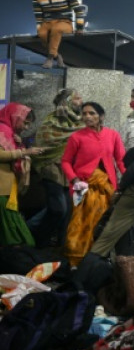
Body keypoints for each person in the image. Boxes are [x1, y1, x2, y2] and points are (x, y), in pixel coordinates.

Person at [61, 102, 126, 265]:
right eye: (84, 114)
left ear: (101, 116)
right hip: (83, 187)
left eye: (92, 113)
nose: (87, 117)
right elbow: (66, 161)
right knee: (80, 223)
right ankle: (78, 258)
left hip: (107, 187)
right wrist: (74, 179)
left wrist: (127, 178)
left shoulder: (113, 135)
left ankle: (99, 257)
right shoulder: (77, 137)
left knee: (103, 223)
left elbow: (121, 160)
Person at [29, 88, 83, 247]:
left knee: (66, 212)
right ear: (67, 101)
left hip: (69, 171)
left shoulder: (79, 123)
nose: (80, 102)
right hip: (51, 168)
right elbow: (42, 143)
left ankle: (59, 247)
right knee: (58, 209)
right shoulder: (51, 122)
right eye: (77, 98)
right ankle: (37, 238)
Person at [0, 104, 42, 246]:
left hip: (7, 186)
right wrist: (25, 152)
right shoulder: (1, 130)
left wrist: (20, 146)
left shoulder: (10, 133)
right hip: (2, 188)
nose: (25, 128)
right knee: (12, 229)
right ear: (15, 117)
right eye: (25, 123)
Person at [32, 0, 85, 69]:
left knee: (57, 29)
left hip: (64, 22)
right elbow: (38, 14)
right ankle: (58, 56)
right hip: (47, 22)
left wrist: (80, 27)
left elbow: (78, 9)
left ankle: (50, 58)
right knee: (41, 33)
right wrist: (39, 28)